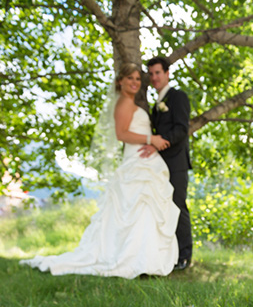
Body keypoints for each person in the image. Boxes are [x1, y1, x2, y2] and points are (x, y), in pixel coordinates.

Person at [20, 63, 180, 278]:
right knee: (136, 206)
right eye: (130, 78)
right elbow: (122, 134)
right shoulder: (124, 103)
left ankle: (145, 259)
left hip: (144, 162)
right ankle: (134, 259)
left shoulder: (131, 103)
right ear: (119, 81)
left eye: (137, 79)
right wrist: (152, 139)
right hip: (136, 161)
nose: (134, 82)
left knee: (145, 208)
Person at [140, 56, 193, 271]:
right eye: (151, 74)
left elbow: (181, 129)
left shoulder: (178, 97)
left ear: (167, 73)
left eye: (157, 73)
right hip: (159, 165)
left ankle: (185, 256)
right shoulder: (156, 105)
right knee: (162, 208)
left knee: (178, 206)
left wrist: (158, 144)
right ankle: (168, 254)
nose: (154, 78)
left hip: (176, 163)